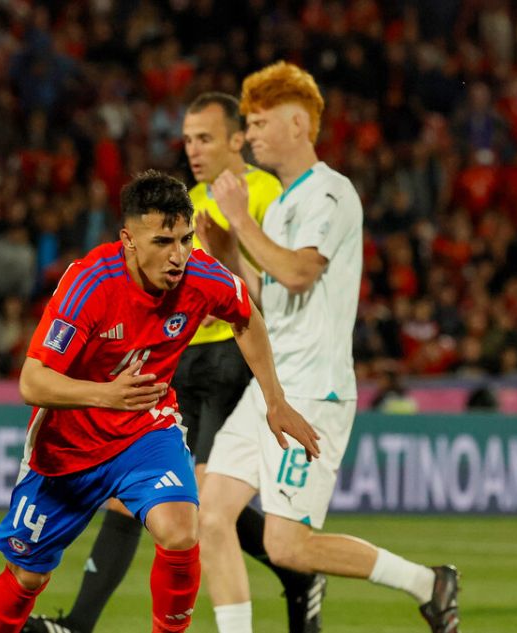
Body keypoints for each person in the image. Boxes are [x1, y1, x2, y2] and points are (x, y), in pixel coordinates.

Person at [25, 93, 324, 633]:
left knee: (202, 507)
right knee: (132, 499)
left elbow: (269, 293)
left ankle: (298, 570)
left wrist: (233, 242)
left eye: (205, 138)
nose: (193, 149)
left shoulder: (265, 193)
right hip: (178, 359)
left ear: (237, 139)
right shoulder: (186, 202)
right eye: (188, 139)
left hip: (231, 363)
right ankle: (79, 623)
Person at [196, 61, 460, 633]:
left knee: (287, 546)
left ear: (298, 124)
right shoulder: (289, 203)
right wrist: (227, 254)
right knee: (211, 513)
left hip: (315, 389)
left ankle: (427, 582)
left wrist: (240, 221)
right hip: (272, 388)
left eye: (262, 122)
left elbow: (297, 274)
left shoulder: (331, 194)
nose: (254, 134)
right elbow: (270, 295)